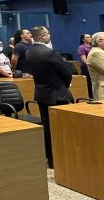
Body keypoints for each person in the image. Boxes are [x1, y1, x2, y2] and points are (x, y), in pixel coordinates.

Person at [24, 26, 72, 169]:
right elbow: (66, 73)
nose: (49, 35)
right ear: (42, 36)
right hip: (57, 94)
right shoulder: (50, 52)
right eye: (47, 34)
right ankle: (62, 157)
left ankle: (50, 158)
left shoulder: (29, 52)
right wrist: (66, 85)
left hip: (41, 94)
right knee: (60, 127)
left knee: (47, 127)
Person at [77, 33, 93, 97]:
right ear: (83, 39)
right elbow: (84, 60)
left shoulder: (93, 47)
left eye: (90, 37)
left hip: (94, 67)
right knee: (89, 83)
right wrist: (91, 65)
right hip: (86, 68)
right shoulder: (81, 47)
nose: (89, 38)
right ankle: (90, 97)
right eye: (87, 37)